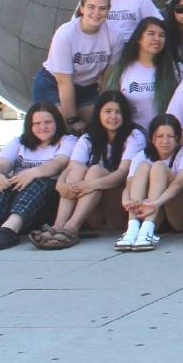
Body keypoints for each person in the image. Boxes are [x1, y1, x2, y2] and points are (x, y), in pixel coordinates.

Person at [33, 91, 143, 249]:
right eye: (108, 111)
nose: (113, 116)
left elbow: (122, 174)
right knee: (78, 169)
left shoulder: (134, 136)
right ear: (98, 113)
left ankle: (72, 227)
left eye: (118, 112)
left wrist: (90, 185)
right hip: (93, 212)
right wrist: (61, 184)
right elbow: (72, 167)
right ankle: (58, 226)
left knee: (95, 170)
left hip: (119, 207)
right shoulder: (88, 137)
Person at [0, 103, 75, 251]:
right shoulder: (18, 142)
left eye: (48, 122)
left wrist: (31, 174)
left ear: (57, 122)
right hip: (17, 199)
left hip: (45, 203)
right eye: (37, 123)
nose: (43, 127)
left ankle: (9, 230)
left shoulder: (67, 141)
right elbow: (0, 163)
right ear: (29, 125)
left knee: (40, 182)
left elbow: (58, 164)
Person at [33, 0, 118, 134]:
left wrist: (105, 105)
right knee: (63, 132)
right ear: (82, 8)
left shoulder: (115, 35)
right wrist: (72, 119)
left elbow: (107, 76)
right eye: (91, 7)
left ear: (108, 10)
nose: (97, 13)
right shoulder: (65, 35)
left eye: (102, 8)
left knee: (99, 130)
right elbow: (64, 82)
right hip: (53, 85)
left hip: (87, 88)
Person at [118, 114, 183, 251]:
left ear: (177, 138)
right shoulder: (142, 155)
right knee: (143, 166)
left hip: (179, 213)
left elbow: (178, 184)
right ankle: (133, 229)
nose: (165, 141)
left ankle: (147, 230)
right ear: (152, 138)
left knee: (159, 167)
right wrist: (126, 200)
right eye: (159, 136)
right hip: (150, 214)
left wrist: (156, 203)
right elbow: (129, 184)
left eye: (170, 136)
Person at [102, 17, 181, 130]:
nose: (157, 39)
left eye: (161, 35)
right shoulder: (122, 68)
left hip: (162, 140)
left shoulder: (173, 69)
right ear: (139, 38)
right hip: (130, 137)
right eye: (151, 33)